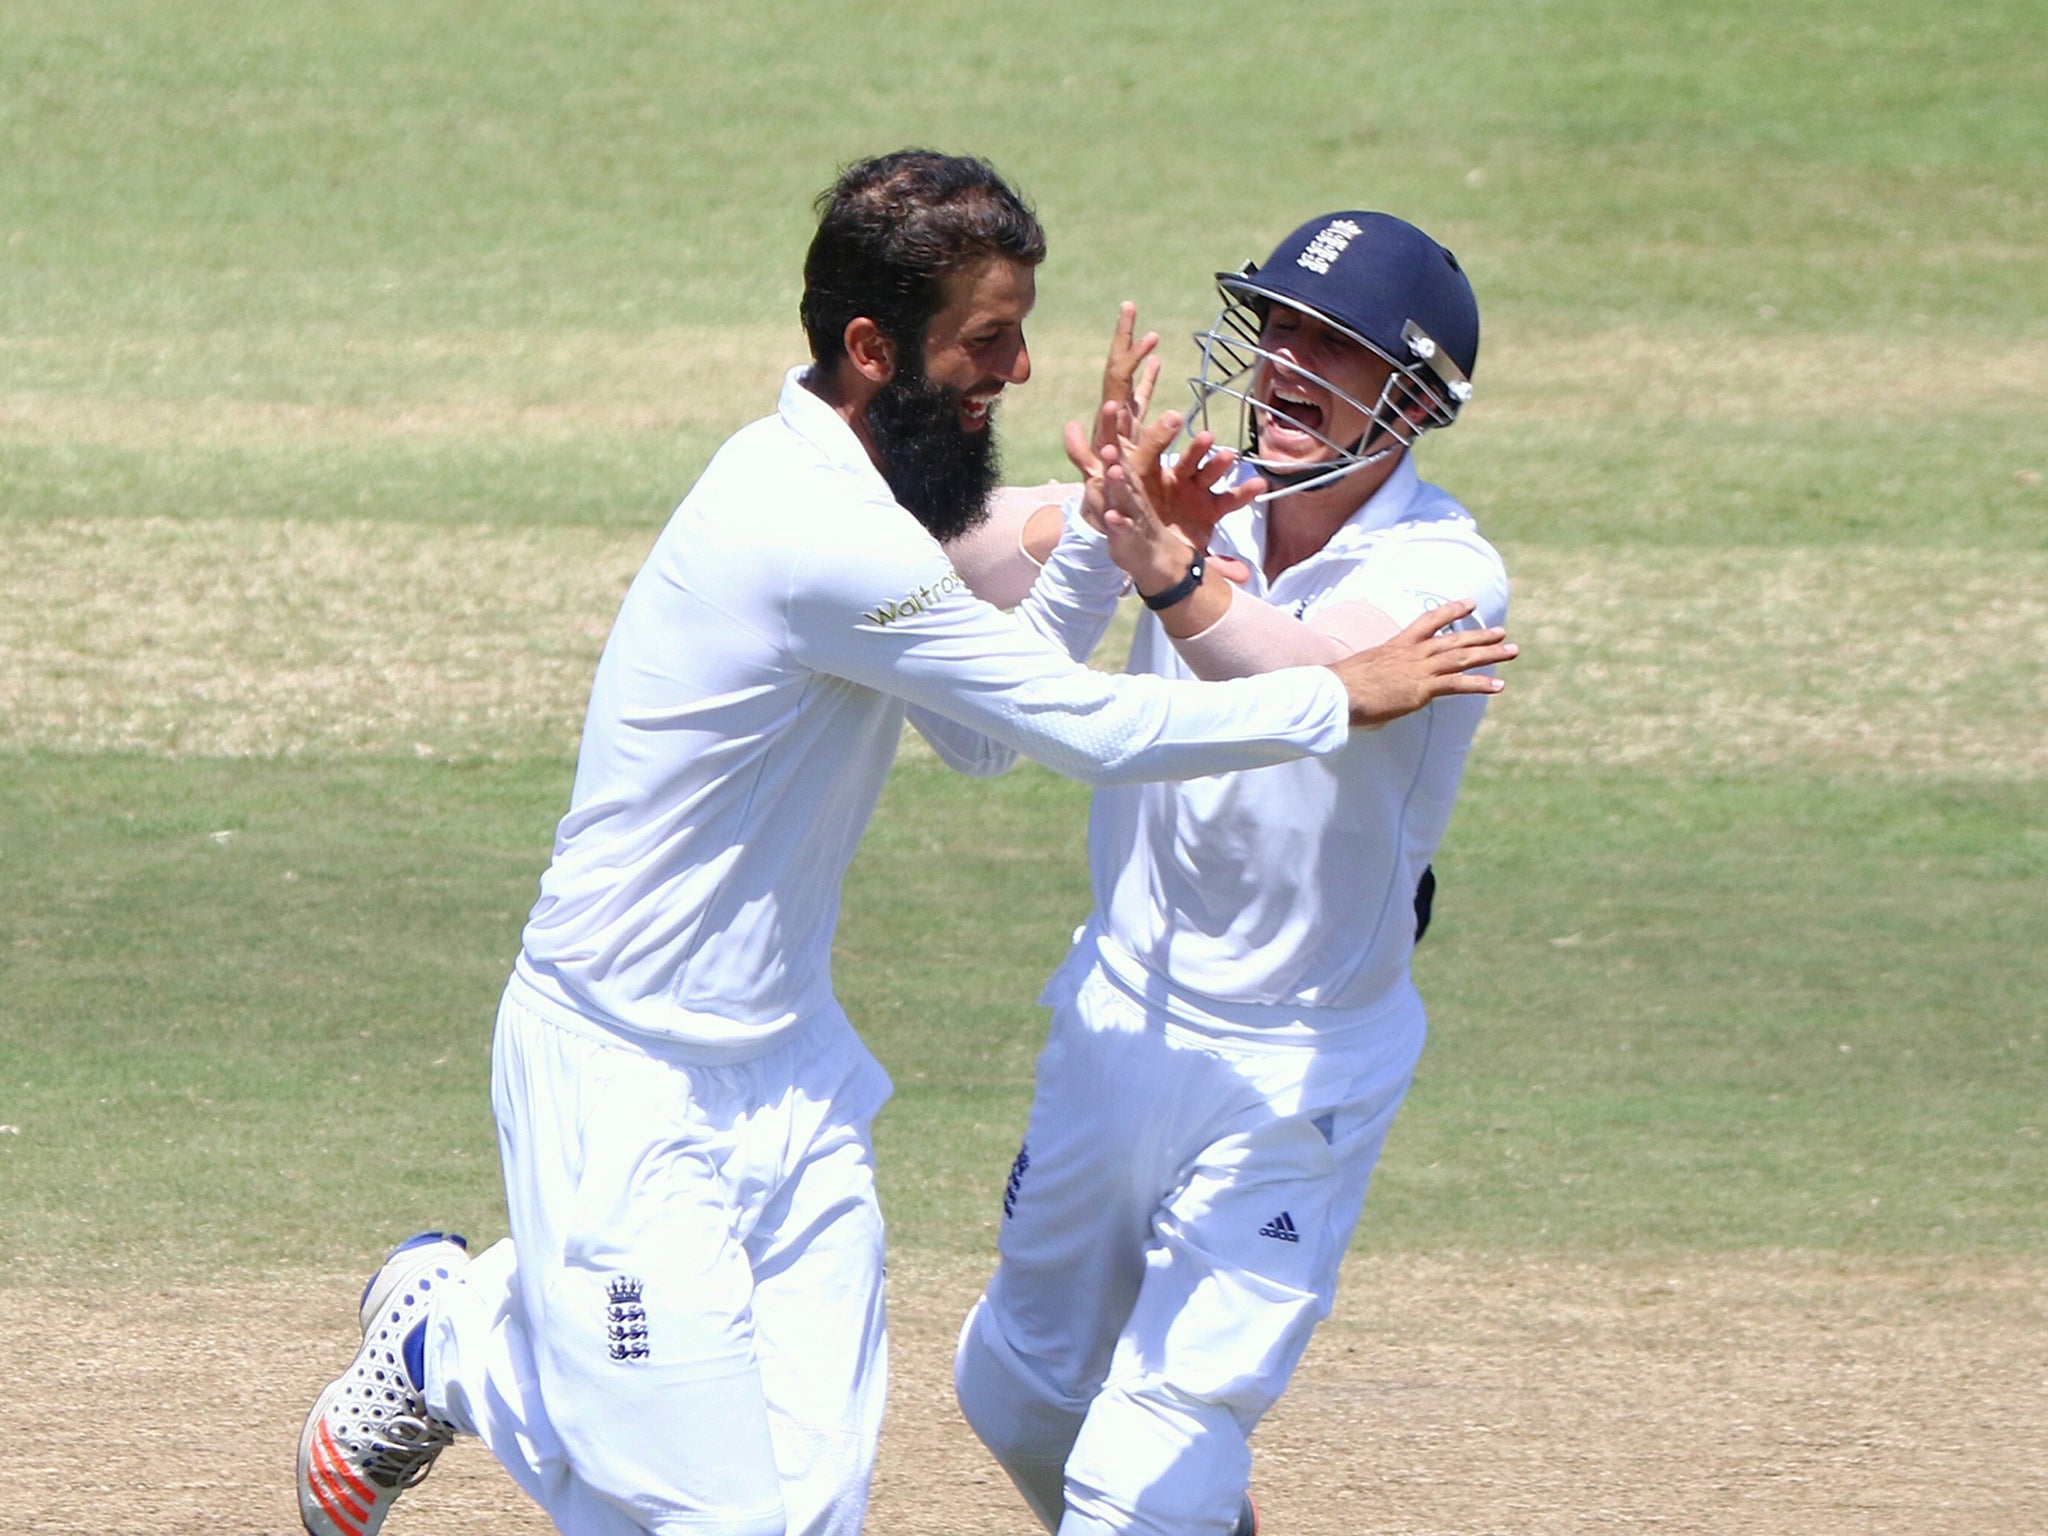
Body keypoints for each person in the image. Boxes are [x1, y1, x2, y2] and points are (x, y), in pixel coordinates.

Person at [293, 158, 1514, 1536]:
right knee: (736, 1517)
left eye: (1333, 344)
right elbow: (1076, 728)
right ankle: (454, 1336)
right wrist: (1231, 615)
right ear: (877, 349)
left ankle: (486, 1336)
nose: (1022, 368)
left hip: (805, 1068)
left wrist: (1120, 540)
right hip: (625, 1064)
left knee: (815, 1521)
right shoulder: (826, 533)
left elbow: (986, 735)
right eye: (990, 341)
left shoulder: (1420, 566)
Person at [949, 210, 1509, 1536]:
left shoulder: (1447, 567)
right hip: (1115, 1018)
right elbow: (955, 560)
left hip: (1295, 1067)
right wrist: (1084, 519)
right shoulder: (1190, 501)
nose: (1289, 366)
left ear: (1416, 395)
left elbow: (1320, 680)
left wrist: (1166, 569)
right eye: (1283, 331)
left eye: (1339, 346)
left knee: (1144, 1474)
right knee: (1018, 1395)